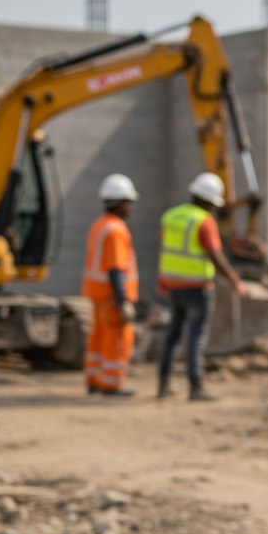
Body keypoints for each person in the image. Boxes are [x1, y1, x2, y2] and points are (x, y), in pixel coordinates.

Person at [156, 172, 249, 402]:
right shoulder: (204, 221)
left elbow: (166, 249)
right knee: (197, 336)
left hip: (174, 285)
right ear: (210, 201)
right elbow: (216, 257)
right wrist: (235, 281)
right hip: (197, 287)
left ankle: (163, 384)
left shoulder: (170, 216)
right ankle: (196, 387)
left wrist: (162, 279)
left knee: (173, 335)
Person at [82, 173, 140, 397]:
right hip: (110, 295)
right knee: (116, 339)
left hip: (96, 293)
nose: (131, 208)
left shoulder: (100, 225)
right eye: (129, 203)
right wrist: (123, 299)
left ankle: (94, 380)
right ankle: (112, 383)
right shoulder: (116, 230)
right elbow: (115, 268)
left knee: (98, 338)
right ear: (121, 203)